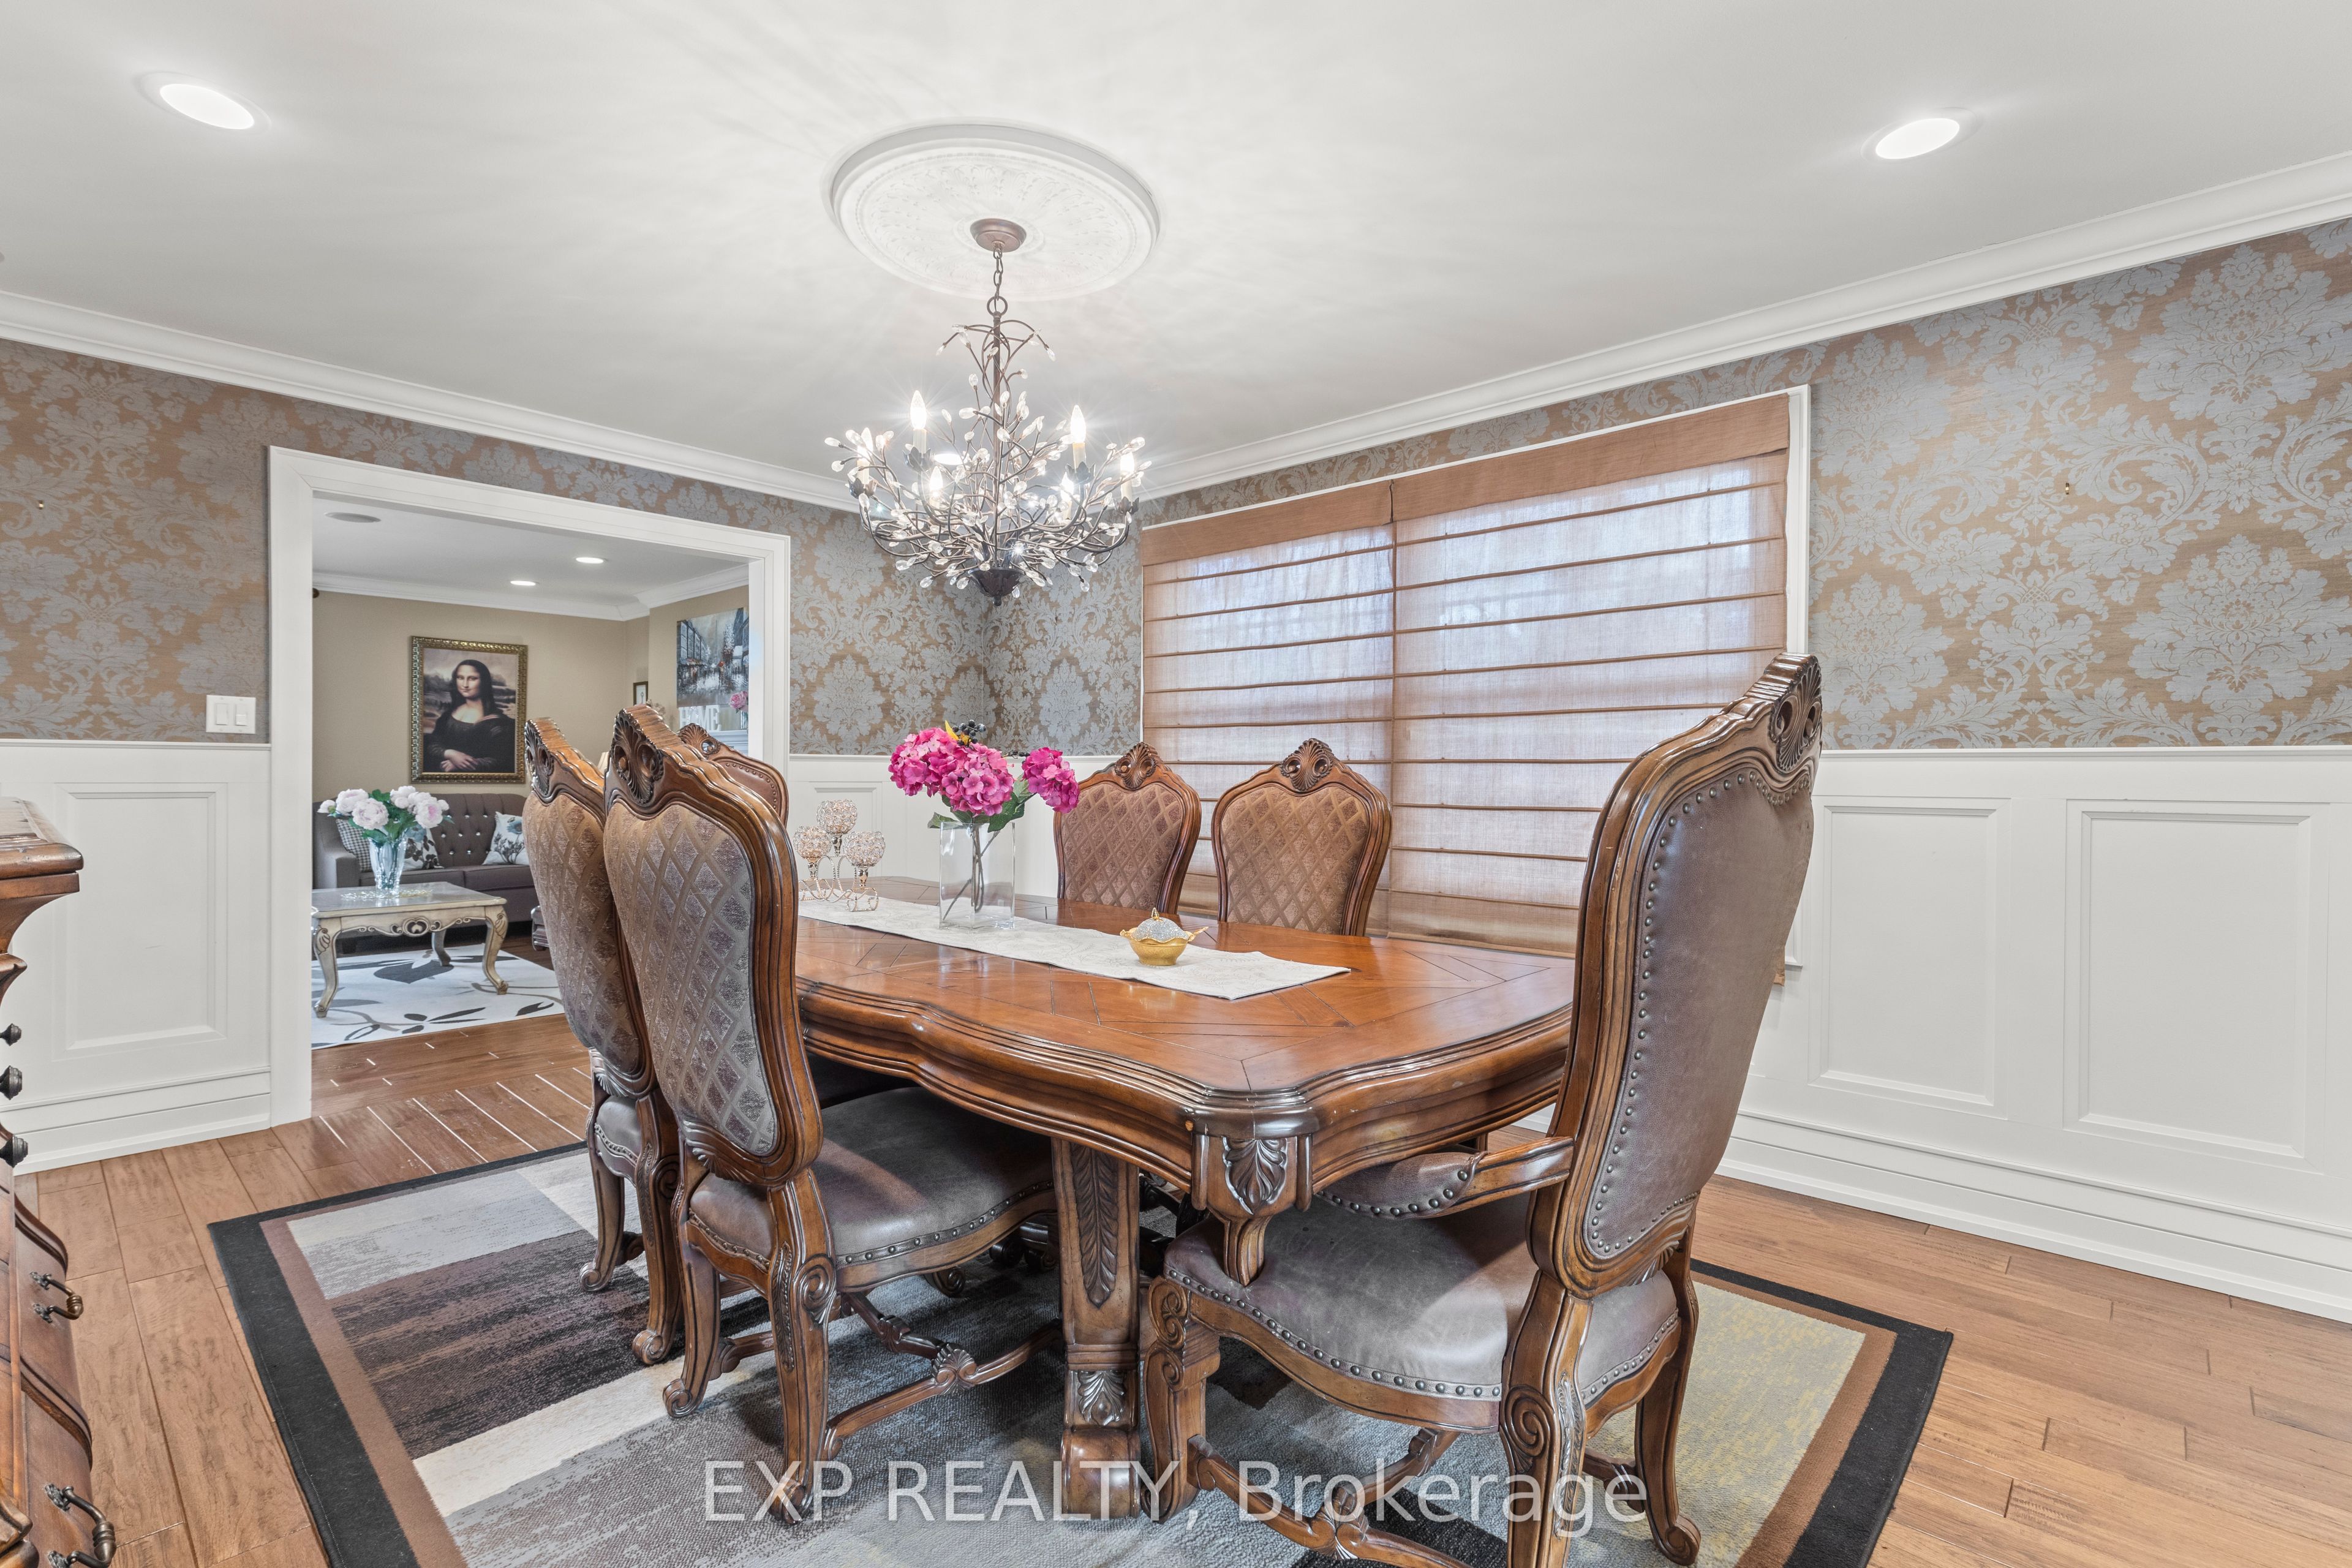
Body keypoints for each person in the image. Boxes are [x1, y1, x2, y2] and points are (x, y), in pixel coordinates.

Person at [423, 657, 516, 773]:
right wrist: (450, 754)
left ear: (484, 682)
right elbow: (433, 743)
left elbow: (502, 762)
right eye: (460, 678)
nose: (465, 684)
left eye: (472, 679)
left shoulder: (499, 723)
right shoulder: (448, 715)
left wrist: (463, 765)